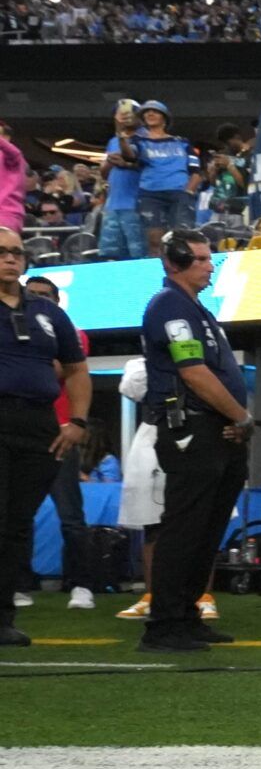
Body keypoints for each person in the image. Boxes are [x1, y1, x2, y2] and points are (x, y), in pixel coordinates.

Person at [138, 229, 252, 654]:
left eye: (210, 259)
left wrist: (235, 422)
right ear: (175, 263)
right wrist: (240, 415)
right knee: (184, 527)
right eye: (201, 259)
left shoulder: (194, 308)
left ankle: (185, 614)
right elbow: (193, 372)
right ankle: (164, 624)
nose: (209, 266)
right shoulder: (171, 305)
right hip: (192, 429)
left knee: (207, 529)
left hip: (216, 429)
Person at [0, 227, 91, 646]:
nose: (11, 259)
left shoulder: (49, 312)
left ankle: (4, 618)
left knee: (17, 523)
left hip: (38, 425)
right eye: (2, 252)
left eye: (16, 252)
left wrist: (77, 421)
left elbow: (76, 368)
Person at [22, 276, 92, 609]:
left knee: (70, 515)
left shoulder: (72, 334)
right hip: (22, 430)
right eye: (33, 295)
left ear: (58, 301)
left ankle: (81, 584)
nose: (38, 301)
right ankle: (19, 583)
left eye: (45, 296)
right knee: (15, 513)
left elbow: (54, 372)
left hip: (60, 432)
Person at [113, 355, 165, 620]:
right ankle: (153, 595)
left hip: (198, 430)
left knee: (200, 522)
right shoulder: (140, 365)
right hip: (154, 435)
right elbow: (131, 388)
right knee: (151, 521)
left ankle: (203, 595)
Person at [133, 100, 200, 255]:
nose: (150, 114)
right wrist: (122, 137)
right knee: (154, 239)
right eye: (146, 112)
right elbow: (129, 155)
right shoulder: (138, 141)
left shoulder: (182, 142)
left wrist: (188, 192)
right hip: (150, 194)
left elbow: (196, 171)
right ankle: (157, 274)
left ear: (164, 118)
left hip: (179, 193)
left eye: (155, 111)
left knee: (182, 239)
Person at [99, 101, 145, 261]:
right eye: (121, 113)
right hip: (112, 206)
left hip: (137, 206)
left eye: (131, 112)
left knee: (139, 254)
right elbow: (104, 174)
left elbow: (152, 168)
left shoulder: (146, 138)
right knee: (110, 255)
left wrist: (126, 163)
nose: (126, 116)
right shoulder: (113, 141)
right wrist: (111, 161)